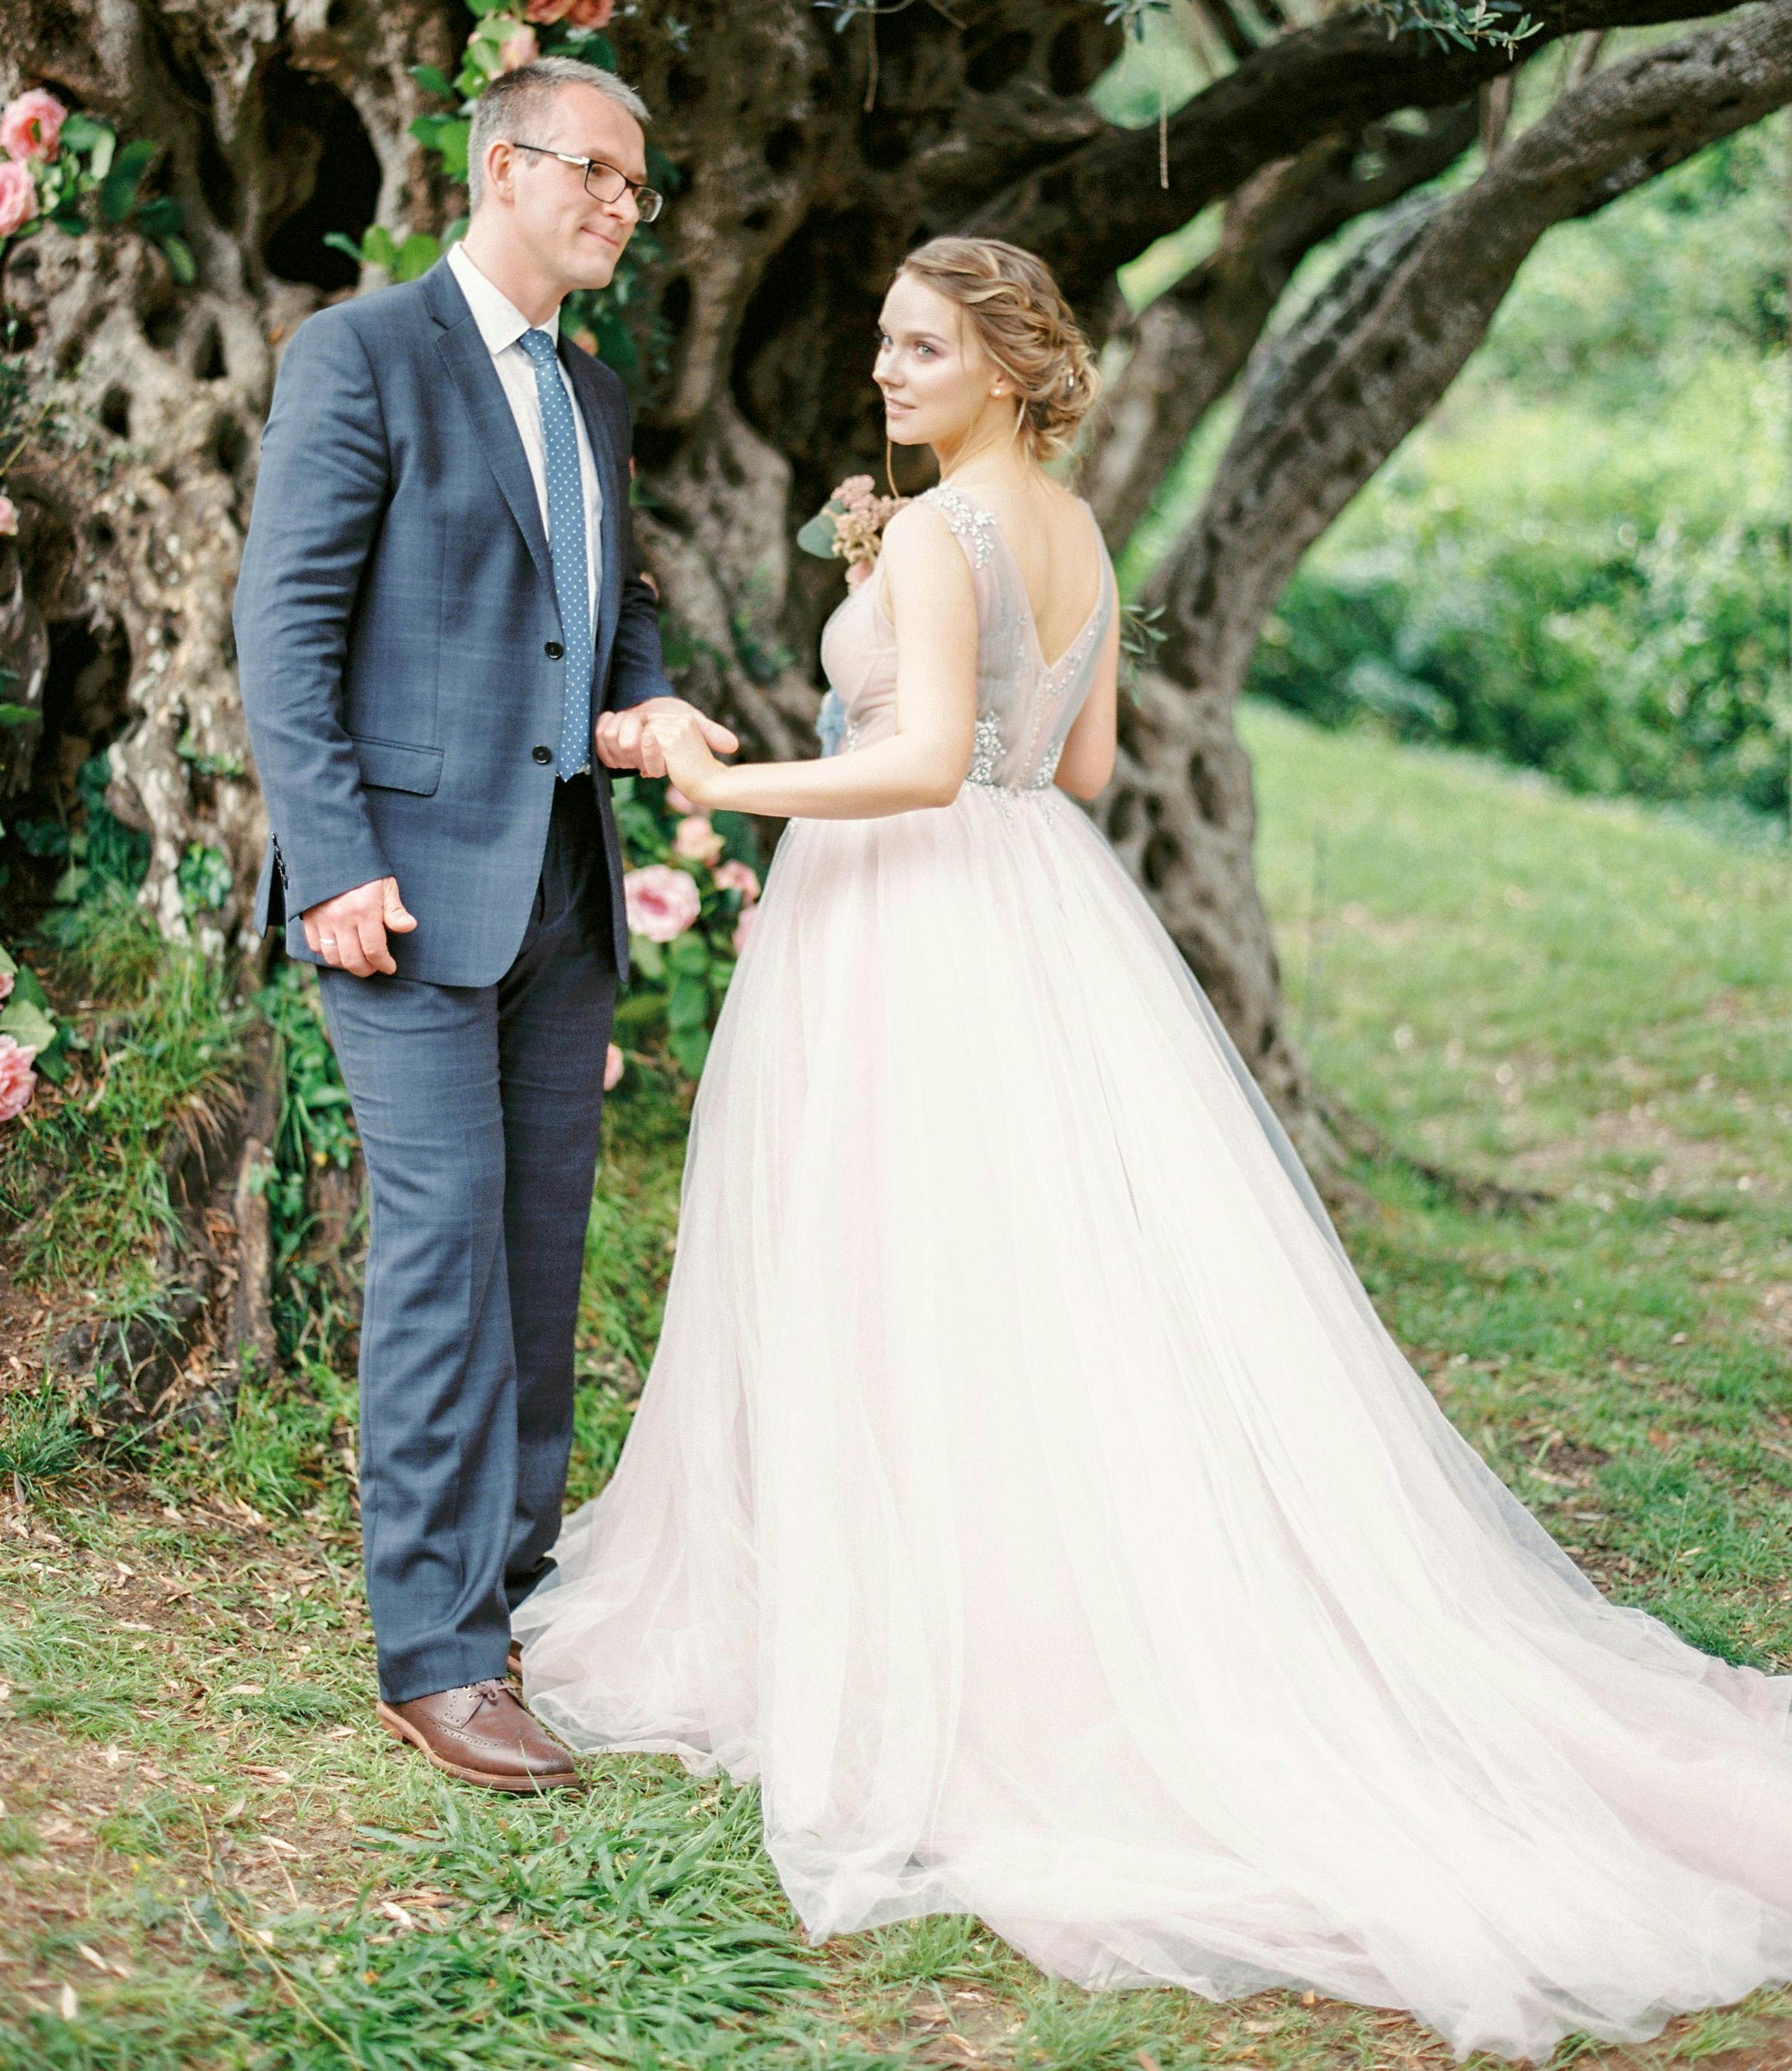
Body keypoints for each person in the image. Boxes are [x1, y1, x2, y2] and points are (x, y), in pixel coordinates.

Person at [516, 234, 1792, 2057]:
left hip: (908, 914)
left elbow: (929, 759)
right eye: (883, 341)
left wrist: (730, 779)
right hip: (1039, 905)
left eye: (920, 347)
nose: (883, 371)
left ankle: (935, 1635)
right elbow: (1085, 765)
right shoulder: (1077, 533)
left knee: (901, 1260)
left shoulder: (943, 533)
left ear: (1004, 368)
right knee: (1031, 1275)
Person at [235, 57, 735, 1793]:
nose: (622, 206)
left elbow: (608, 610)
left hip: (562, 895)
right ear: (504, 166)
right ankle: (435, 1653)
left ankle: (506, 1594)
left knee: (535, 1246)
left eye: (637, 188)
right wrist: (332, 862)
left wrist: (643, 706)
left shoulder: (593, 391)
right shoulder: (362, 353)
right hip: (397, 898)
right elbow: (285, 627)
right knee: (445, 1251)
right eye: (598, 172)